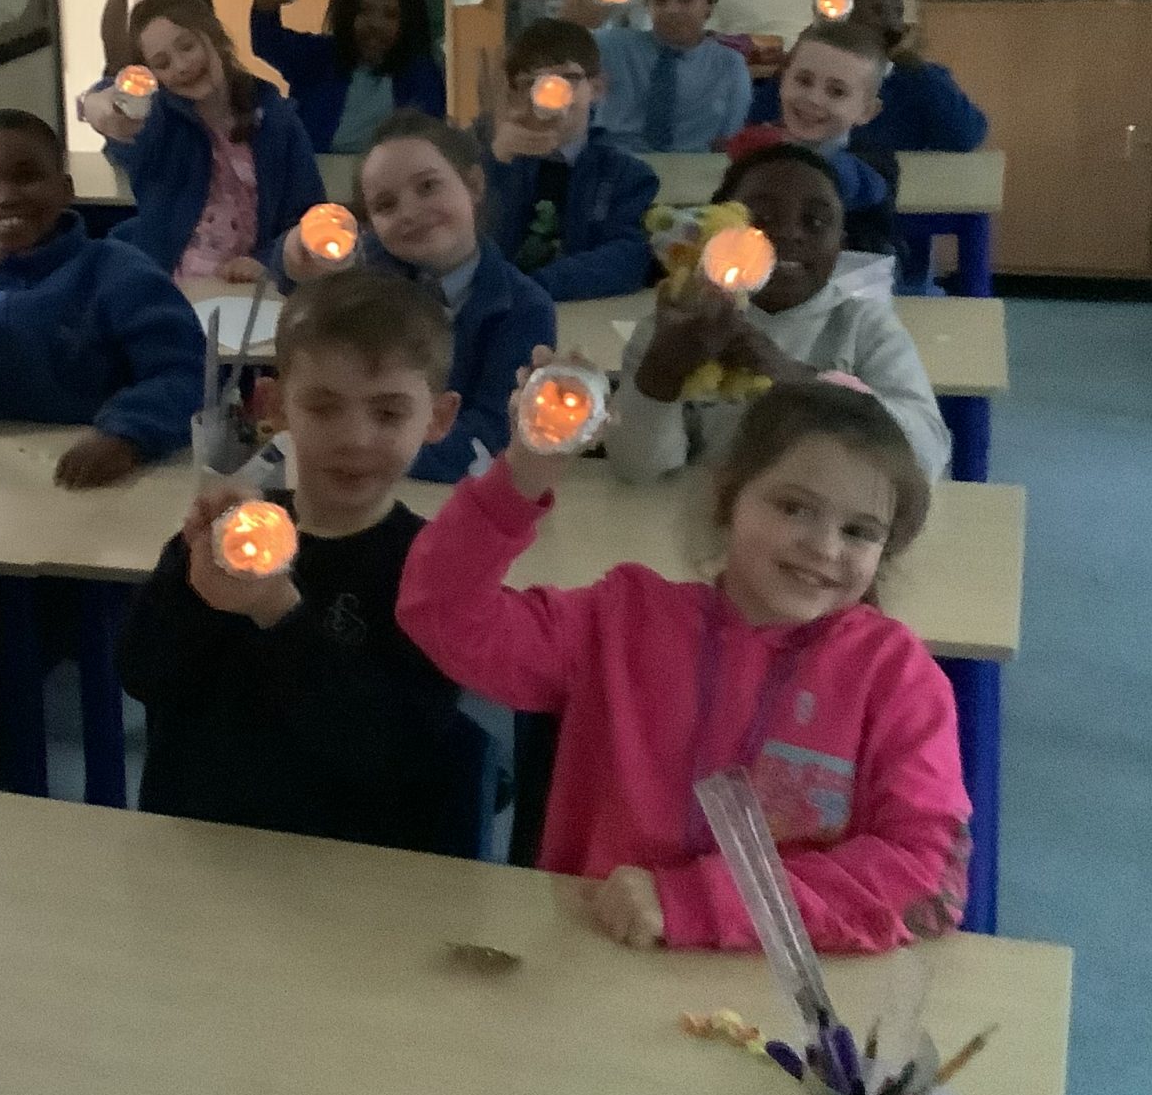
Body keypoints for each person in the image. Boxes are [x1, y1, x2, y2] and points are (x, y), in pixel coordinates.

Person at [398, 378, 970, 953]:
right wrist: (523, 474)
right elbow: (443, 612)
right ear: (728, 498)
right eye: (793, 507)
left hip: (785, 985)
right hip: (602, 957)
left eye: (859, 532)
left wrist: (693, 902)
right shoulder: (620, 623)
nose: (824, 547)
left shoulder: (896, 677)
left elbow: (927, 875)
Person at [118, 272, 473, 854]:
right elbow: (142, 673)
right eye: (323, 408)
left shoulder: (434, 571)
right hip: (198, 846)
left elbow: (388, 752)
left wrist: (278, 612)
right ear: (276, 406)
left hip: (348, 865)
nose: (354, 438)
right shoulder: (229, 536)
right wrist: (187, 575)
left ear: (437, 418)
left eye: (388, 414)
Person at [0, 110, 205, 491]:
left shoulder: (119, 273)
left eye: (27, 176)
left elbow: (186, 375)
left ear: (66, 189)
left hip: (97, 490)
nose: (5, 197)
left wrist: (128, 435)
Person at [611, 144, 948, 481]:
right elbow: (637, 471)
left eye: (815, 222)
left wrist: (804, 382)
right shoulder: (676, 324)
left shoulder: (864, 326)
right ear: (718, 231)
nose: (788, 233)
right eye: (760, 219)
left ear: (840, 245)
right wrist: (662, 372)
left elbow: (927, 454)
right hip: (705, 507)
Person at [281, 110, 555, 483]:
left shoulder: (525, 308)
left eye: (427, 187)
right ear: (370, 225)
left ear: (474, 185)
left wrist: (376, 452)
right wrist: (295, 253)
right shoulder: (366, 273)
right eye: (385, 205)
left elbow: (493, 435)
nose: (409, 212)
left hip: (447, 490)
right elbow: (292, 271)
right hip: (357, 481)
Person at [82, 0, 325, 280]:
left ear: (214, 37)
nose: (182, 66)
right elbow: (110, 105)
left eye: (187, 46)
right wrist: (101, 104)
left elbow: (307, 216)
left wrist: (269, 261)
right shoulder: (159, 124)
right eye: (162, 64)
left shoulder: (277, 120)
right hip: (170, 285)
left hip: (250, 286)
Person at [478, 18, 659, 300]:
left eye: (567, 80)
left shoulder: (624, 175)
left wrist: (534, 286)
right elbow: (471, 245)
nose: (550, 95)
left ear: (596, 88)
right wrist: (498, 166)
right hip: (497, 309)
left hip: (575, 307)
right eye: (531, 83)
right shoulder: (485, 165)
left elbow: (628, 257)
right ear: (514, 94)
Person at [752, 0, 988, 155]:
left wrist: (915, 67)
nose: (850, 24)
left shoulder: (918, 80)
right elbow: (754, 122)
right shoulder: (803, 75)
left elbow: (966, 137)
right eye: (835, 14)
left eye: (881, 10)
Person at [723, 21, 901, 257]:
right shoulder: (758, 149)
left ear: (866, 111)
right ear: (783, 80)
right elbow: (727, 214)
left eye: (837, 92)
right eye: (803, 80)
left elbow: (866, 224)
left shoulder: (872, 165)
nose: (813, 99)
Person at [249, 0, 446, 154]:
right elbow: (267, 40)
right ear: (346, 12)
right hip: (316, 172)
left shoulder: (422, 75)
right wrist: (267, 1)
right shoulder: (318, 57)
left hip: (390, 172)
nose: (375, 24)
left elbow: (430, 145)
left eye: (391, 15)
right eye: (363, 11)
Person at [588, 0, 754, 152]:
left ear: (711, 3)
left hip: (695, 165)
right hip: (616, 161)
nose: (672, 9)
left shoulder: (729, 66)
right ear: (646, 3)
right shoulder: (610, 47)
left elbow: (729, 144)